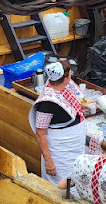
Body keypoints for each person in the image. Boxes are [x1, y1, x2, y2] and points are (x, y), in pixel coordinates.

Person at [28, 60, 95, 191]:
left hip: (74, 151)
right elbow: (40, 133)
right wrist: (48, 161)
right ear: (65, 79)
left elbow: (67, 104)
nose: (72, 74)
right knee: (60, 187)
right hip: (60, 155)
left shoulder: (62, 88)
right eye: (70, 73)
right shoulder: (46, 103)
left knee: (75, 183)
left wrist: (82, 105)